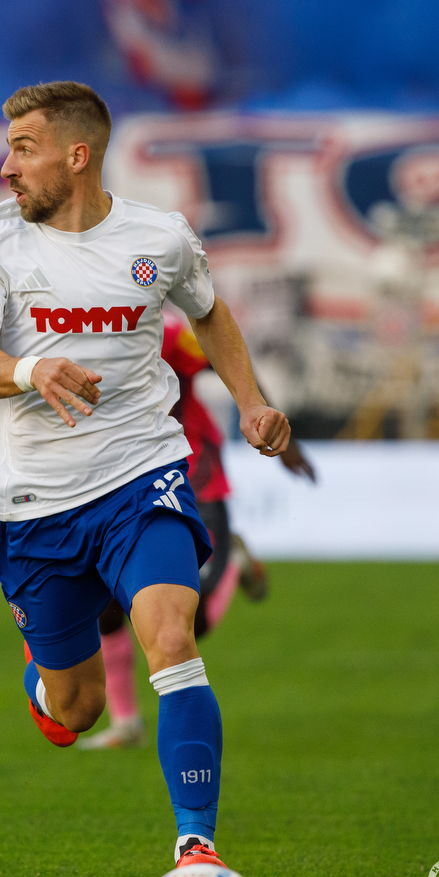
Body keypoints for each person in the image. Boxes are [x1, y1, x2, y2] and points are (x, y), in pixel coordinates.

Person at [0, 81, 291, 869]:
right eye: (7, 151)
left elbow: (207, 311)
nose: (6, 169)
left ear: (78, 154)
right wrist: (32, 369)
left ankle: (196, 847)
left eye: (22, 150)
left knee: (171, 635)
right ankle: (47, 678)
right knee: (79, 710)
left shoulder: (160, 238)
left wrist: (252, 402)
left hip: (143, 473)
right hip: (34, 506)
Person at [79, 311, 316, 749]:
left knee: (192, 621)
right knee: (105, 605)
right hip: (119, 482)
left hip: (192, 475)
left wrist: (267, 420)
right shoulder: (77, 323)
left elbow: (223, 354)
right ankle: (127, 723)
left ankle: (234, 562)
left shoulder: (165, 330)